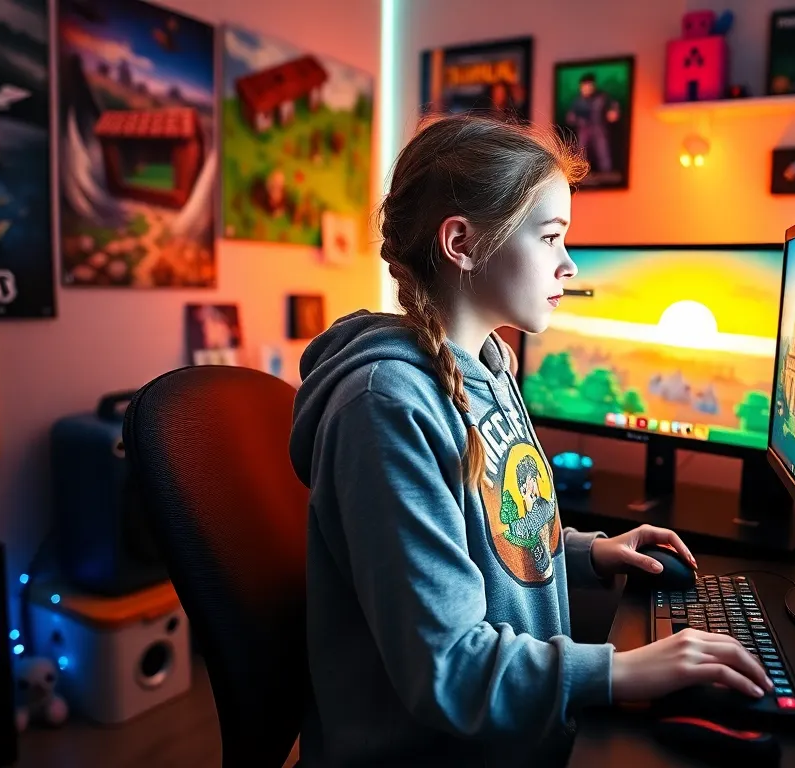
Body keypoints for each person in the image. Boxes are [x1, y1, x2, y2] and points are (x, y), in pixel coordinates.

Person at [288, 112, 770, 767]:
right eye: (550, 238)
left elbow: (493, 529)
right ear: (462, 241)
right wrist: (621, 672)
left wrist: (589, 553)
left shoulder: (488, 365)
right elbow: (448, 667)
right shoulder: (384, 407)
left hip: (517, 738)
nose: (569, 265)